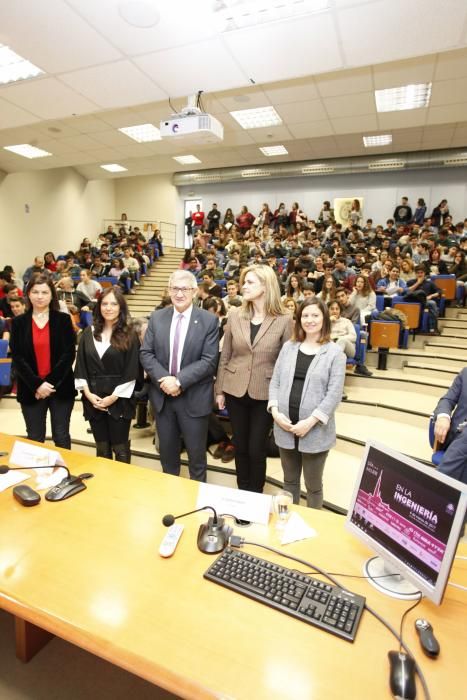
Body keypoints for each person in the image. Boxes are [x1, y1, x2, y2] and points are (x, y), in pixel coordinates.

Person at [215, 265, 293, 493]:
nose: (244, 286)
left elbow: (287, 362)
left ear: (265, 286)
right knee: (239, 445)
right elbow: (225, 355)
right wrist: (219, 390)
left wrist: (281, 398)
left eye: (250, 282)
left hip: (265, 392)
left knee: (256, 448)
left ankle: (255, 495)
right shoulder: (235, 315)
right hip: (234, 389)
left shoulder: (284, 319)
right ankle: (242, 491)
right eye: (244, 282)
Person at [140, 270, 219, 482]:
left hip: (193, 399)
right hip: (163, 399)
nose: (179, 293)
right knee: (167, 458)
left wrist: (178, 381)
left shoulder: (209, 321)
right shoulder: (157, 318)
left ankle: (198, 507)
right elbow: (146, 353)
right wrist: (165, 379)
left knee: (196, 460)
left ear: (194, 291)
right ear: (169, 290)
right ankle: (171, 501)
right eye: (175, 288)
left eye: (184, 288)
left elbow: (209, 361)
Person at [268, 298, 346, 508]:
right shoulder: (289, 347)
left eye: (315, 315)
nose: (309, 320)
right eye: (305, 315)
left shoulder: (335, 353)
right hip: (285, 427)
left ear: (324, 319)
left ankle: (314, 526)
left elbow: (334, 394)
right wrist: (275, 412)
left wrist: (309, 422)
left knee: (313, 486)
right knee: (289, 482)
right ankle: (290, 522)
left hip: (315, 431)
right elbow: (275, 381)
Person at [10, 273, 76, 448]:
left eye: (44, 292)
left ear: (52, 295)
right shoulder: (18, 323)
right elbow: (17, 358)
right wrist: (37, 385)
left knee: (61, 436)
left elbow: (68, 354)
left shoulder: (62, 320)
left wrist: (49, 383)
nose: (40, 296)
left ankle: (63, 474)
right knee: (34, 437)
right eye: (35, 291)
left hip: (60, 387)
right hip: (31, 389)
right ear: (28, 294)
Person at [75, 287, 141, 463]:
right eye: (104, 303)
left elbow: (132, 369)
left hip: (119, 398)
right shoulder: (88, 332)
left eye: (114, 303)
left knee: (120, 448)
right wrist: (88, 394)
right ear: (99, 306)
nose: (109, 308)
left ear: (121, 307)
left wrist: (113, 397)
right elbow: (81, 365)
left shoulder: (130, 334)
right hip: (93, 398)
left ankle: (120, 487)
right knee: (101, 447)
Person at [433, 368, 467, 484]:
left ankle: (435, 485)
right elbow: (447, 400)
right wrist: (443, 416)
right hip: (454, 443)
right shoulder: (465, 373)